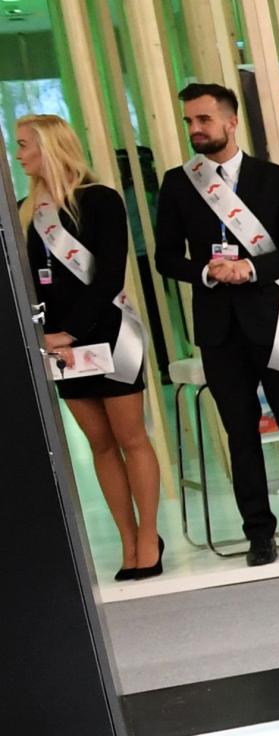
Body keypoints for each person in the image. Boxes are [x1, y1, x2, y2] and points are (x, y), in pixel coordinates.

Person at [151, 81, 279, 564]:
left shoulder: (273, 179)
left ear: (231, 122)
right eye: (189, 121)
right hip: (218, 326)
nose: (195, 129)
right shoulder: (178, 183)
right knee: (240, 431)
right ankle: (259, 534)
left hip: (272, 320)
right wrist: (205, 272)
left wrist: (250, 268)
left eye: (204, 119)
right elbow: (166, 257)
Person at [15, 114, 164, 580]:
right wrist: (47, 336)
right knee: (99, 444)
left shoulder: (99, 200)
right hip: (60, 347)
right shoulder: (25, 211)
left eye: (23, 145)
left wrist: (70, 331)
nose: (18, 155)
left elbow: (110, 276)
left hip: (109, 335)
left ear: (49, 146)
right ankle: (127, 538)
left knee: (130, 438)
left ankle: (148, 537)